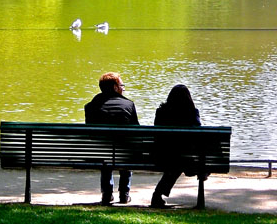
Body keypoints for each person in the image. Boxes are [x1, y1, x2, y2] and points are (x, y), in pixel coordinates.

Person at [85, 72, 139, 205]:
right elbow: (136, 131)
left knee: (104, 151)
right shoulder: (129, 105)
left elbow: (90, 133)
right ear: (115, 87)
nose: (123, 89)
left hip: (99, 152)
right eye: (121, 85)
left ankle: (107, 194)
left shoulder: (91, 105)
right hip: (124, 152)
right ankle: (124, 194)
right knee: (126, 148)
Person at [150, 84, 201, 208]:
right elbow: (199, 133)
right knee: (179, 161)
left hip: (161, 156)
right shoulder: (192, 112)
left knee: (176, 162)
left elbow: (157, 135)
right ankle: (201, 172)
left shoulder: (161, 111)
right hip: (184, 158)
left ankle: (157, 195)